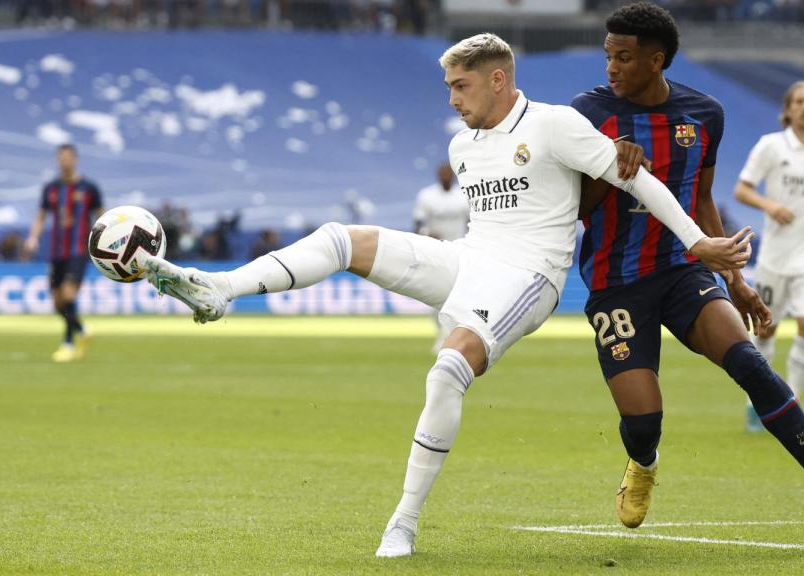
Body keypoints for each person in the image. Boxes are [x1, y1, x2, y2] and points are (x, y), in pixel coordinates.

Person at [141, 32, 750, 557]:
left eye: (461, 86)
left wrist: (698, 243)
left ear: (497, 79)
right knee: (339, 238)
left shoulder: (554, 124)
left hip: (530, 277)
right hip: (470, 258)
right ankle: (221, 289)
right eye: (449, 88)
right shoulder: (463, 146)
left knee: (447, 370)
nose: (453, 100)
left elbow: (639, 179)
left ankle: (402, 523)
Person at [571, 2, 804, 531]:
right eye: (608, 56)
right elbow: (573, 207)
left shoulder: (703, 113)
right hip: (615, 283)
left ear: (656, 61)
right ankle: (643, 464)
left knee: (750, 364)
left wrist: (734, 280)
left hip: (682, 271)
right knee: (644, 421)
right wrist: (608, 166)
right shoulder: (588, 113)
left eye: (623, 57)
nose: (611, 68)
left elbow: (702, 198)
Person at [734, 80, 804, 431]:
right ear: (787, 109)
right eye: (799, 101)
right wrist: (770, 205)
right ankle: (757, 402)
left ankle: (791, 402)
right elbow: (742, 189)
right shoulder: (771, 145)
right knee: (765, 330)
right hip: (776, 255)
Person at [24, 144, 104, 363]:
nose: (64, 161)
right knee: (58, 303)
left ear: (75, 160)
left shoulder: (89, 188)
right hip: (56, 252)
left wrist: (104, 242)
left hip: (78, 251)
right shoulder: (51, 189)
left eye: (68, 157)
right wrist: (33, 237)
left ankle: (67, 343)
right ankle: (82, 330)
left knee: (68, 294)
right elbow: (41, 216)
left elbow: (101, 217)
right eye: (61, 157)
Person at [413, 162, 470, 352]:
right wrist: (427, 232)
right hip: (435, 252)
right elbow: (418, 224)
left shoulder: (464, 195)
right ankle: (443, 334)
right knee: (436, 297)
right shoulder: (427, 196)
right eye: (442, 173)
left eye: (448, 173)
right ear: (438, 175)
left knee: (458, 296)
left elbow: (473, 221)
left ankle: (452, 336)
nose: (445, 176)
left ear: (453, 175)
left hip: (460, 251)